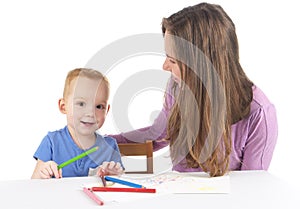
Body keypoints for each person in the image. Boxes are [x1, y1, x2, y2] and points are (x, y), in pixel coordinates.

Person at [111, 2, 278, 177]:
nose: (164, 66)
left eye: (173, 60)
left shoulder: (260, 115)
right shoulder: (178, 87)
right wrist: (97, 142)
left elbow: (252, 189)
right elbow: (157, 135)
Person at [32, 68, 124, 179]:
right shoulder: (52, 141)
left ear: (107, 110)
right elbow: (34, 182)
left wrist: (114, 176)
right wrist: (44, 171)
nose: (91, 113)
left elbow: (119, 186)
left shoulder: (110, 146)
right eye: (81, 104)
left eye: (99, 106)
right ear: (63, 106)